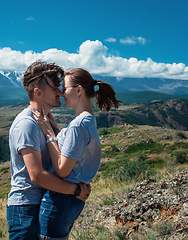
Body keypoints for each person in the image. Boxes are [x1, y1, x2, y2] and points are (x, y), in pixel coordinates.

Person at [34, 68, 123, 239]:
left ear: (79, 90)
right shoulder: (88, 119)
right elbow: (74, 150)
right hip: (70, 199)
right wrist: (56, 128)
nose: (61, 92)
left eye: (65, 88)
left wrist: (49, 135)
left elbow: (62, 170)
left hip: (60, 199)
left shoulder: (78, 125)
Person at [7, 61, 91, 240]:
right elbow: (36, 175)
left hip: (37, 203)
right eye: (55, 88)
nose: (60, 92)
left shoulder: (43, 122)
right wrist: (75, 190)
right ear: (38, 92)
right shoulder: (27, 125)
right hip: (25, 208)